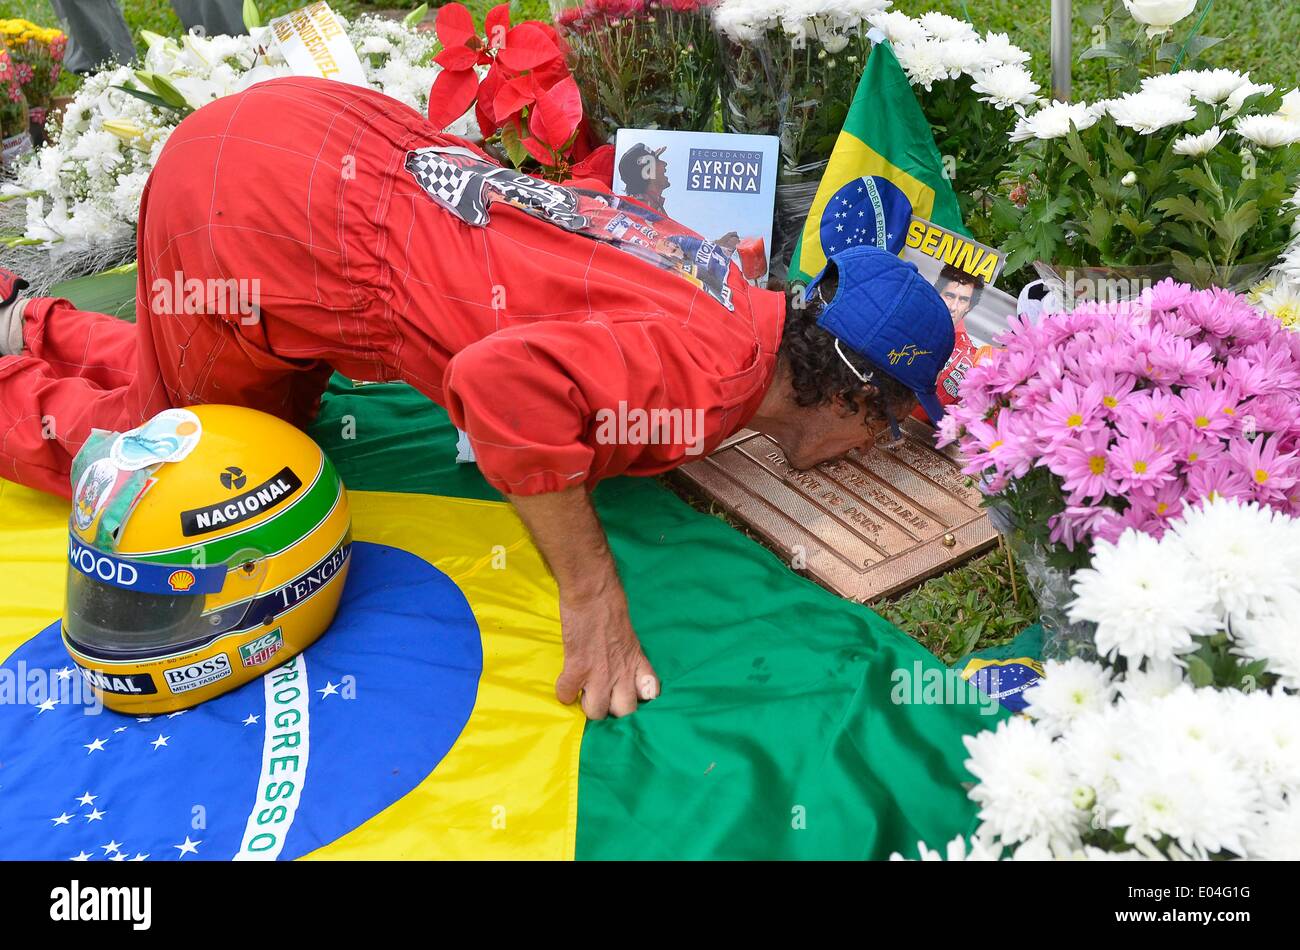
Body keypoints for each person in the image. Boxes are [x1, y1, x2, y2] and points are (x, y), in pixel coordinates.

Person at [0, 77, 953, 720]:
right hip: (261, 208)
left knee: (203, 367)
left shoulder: (729, 287)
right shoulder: (717, 379)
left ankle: (26, 322)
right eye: (890, 430)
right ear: (852, 399)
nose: (879, 450)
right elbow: (502, 386)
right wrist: (593, 598)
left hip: (322, 141)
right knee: (180, 459)